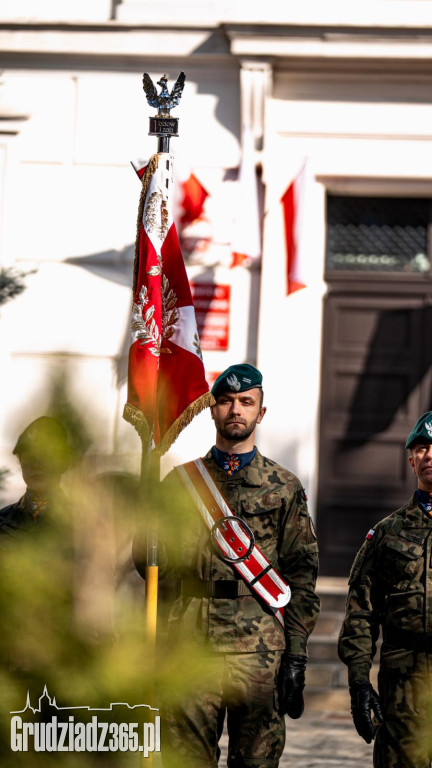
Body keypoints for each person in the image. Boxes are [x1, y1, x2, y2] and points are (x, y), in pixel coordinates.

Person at [133, 363, 320, 767]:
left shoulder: (284, 487)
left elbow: (301, 575)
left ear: (260, 413)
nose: (236, 409)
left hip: (259, 652)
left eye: (246, 402)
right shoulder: (181, 483)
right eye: (226, 401)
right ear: (212, 410)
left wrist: (297, 655)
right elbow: (153, 571)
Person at [338, 410, 432, 768]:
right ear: (411, 461)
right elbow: (360, 614)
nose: (429, 456)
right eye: (421, 449)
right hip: (403, 687)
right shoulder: (386, 534)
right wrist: (359, 685)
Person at [0, 416, 73, 536]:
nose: (36, 465)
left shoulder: (83, 524)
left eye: (46, 456)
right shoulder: (2, 523)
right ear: (20, 462)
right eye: (29, 456)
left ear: (64, 463)